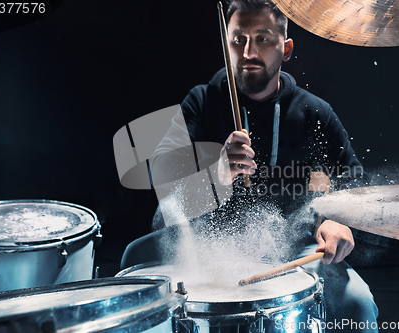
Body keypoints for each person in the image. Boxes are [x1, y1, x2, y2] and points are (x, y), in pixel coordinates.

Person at [125, 0, 379, 331]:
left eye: (262, 39)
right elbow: (160, 184)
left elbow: (354, 181)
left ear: (285, 49)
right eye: (238, 40)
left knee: (357, 304)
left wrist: (336, 221)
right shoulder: (201, 103)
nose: (248, 52)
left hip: (291, 250)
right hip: (204, 250)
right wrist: (216, 175)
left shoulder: (313, 112)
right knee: (132, 264)